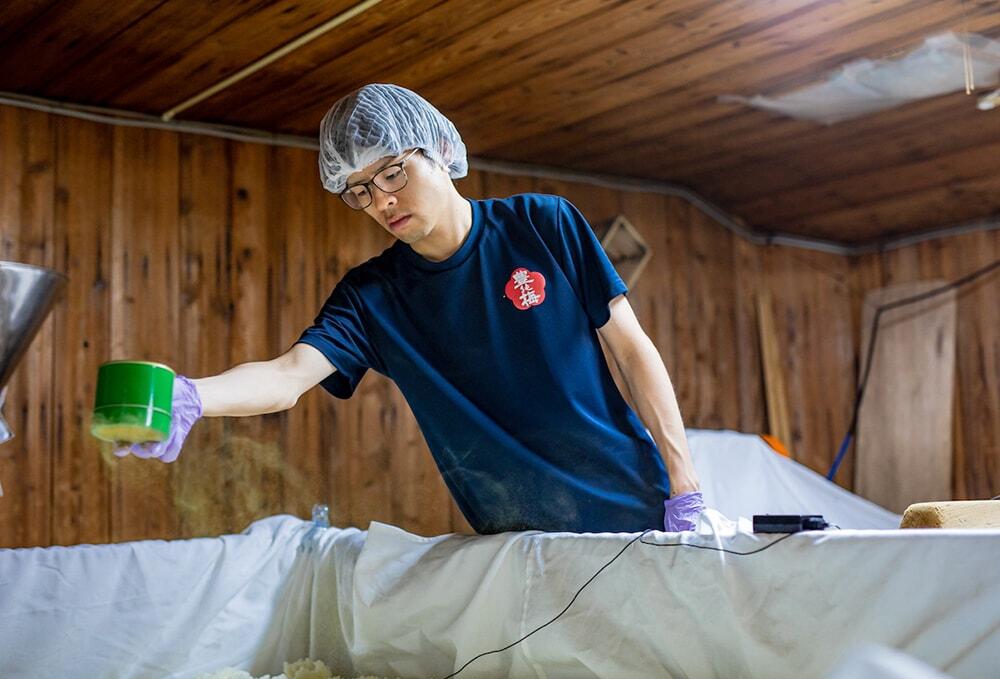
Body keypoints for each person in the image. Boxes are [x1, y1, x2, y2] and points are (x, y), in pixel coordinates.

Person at [117, 84, 704, 534]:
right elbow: (287, 377)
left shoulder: (542, 224)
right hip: (515, 537)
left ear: (442, 151)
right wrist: (192, 396)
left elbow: (631, 349)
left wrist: (684, 482)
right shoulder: (374, 297)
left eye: (393, 171)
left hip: (635, 505)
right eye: (360, 190)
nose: (382, 199)